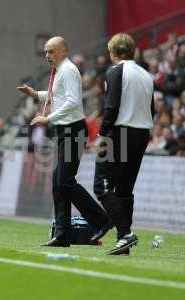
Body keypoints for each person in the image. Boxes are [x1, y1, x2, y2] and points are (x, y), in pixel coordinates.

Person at [18, 36, 110, 247]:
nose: (48, 55)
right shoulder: (62, 70)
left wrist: (47, 118)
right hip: (65, 131)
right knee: (59, 183)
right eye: (46, 52)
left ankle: (101, 220)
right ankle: (62, 234)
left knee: (65, 182)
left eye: (51, 51)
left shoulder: (68, 70)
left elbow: (72, 102)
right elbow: (57, 95)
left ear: (64, 52)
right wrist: (35, 94)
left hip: (73, 131)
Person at [94, 33, 154, 255]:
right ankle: (123, 243)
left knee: (102, 187)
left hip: (119, 133)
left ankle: (124, 233)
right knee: (125, 190)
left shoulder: (116, 71)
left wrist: (101, 135)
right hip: (142, 134)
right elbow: (153, 110)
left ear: (113, 51)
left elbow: (111, 106)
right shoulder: (146, 75)